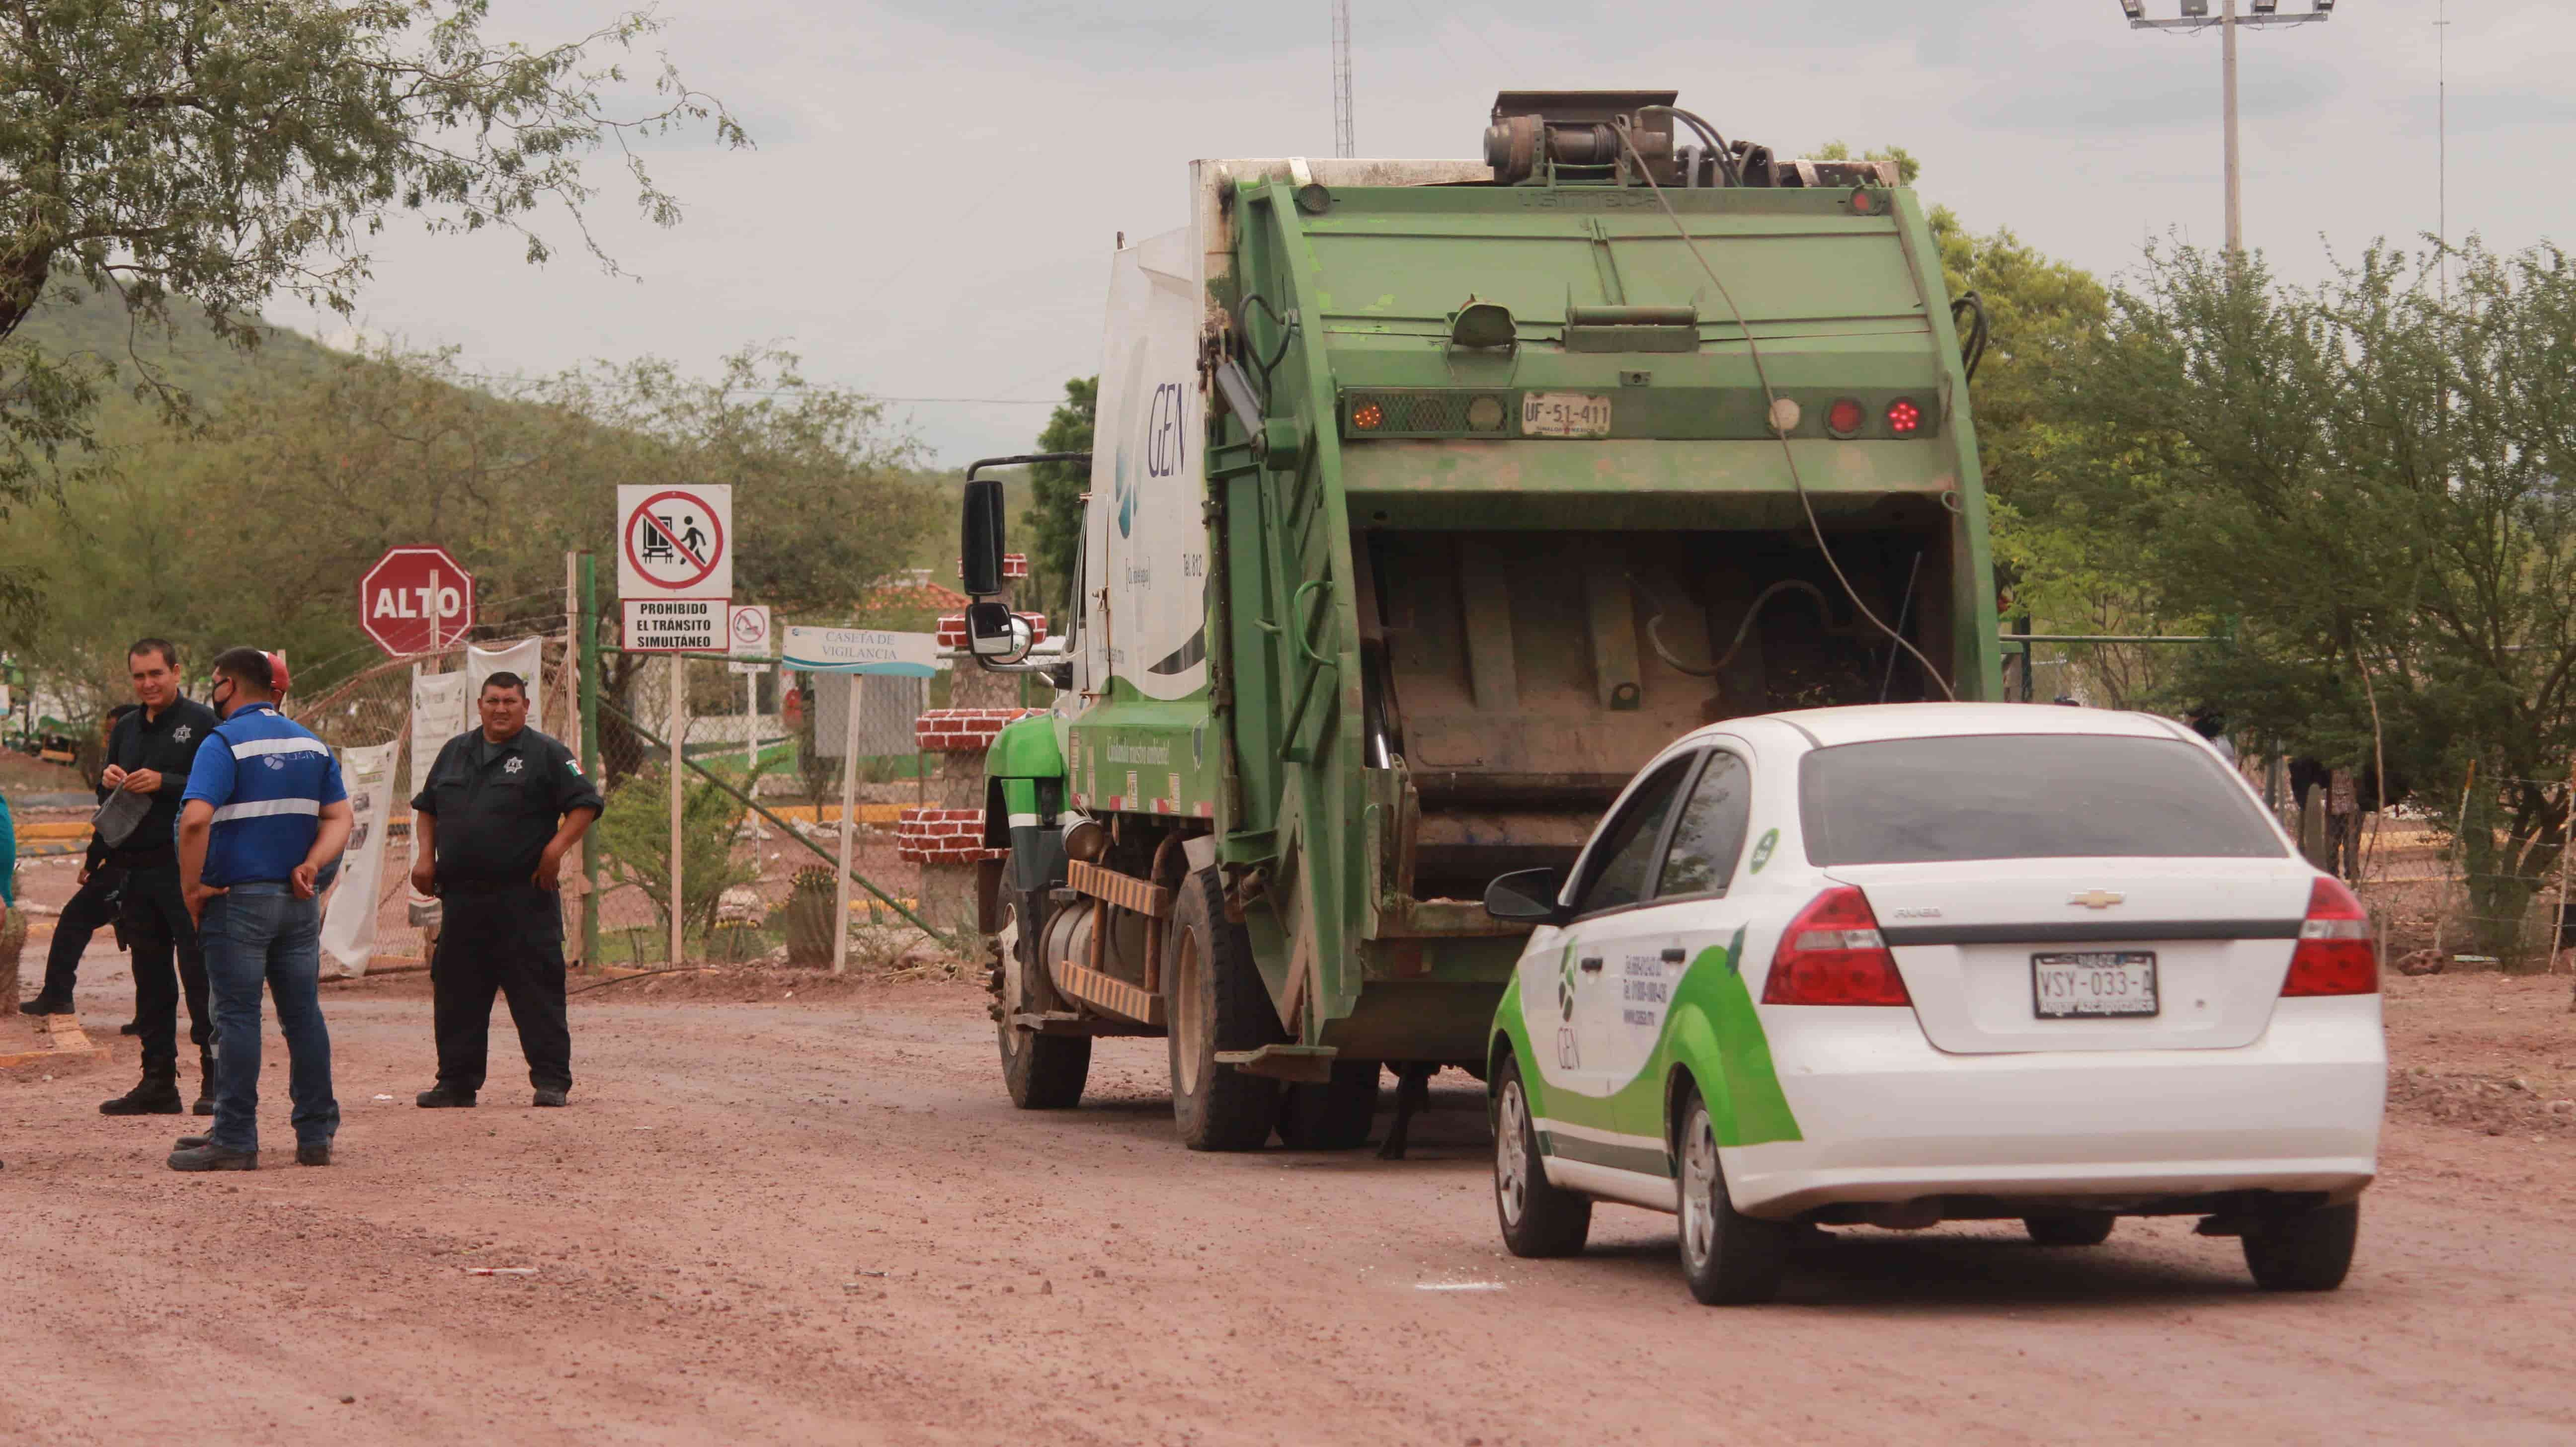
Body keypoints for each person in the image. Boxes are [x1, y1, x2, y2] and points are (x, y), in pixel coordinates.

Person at [166, 648, 350, 1171]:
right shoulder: (311, 744)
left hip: (237, 902)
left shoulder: (222, 742)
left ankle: (235, 1138)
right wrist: (313, 863)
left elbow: (196, 819)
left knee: (238, 1017)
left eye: (215, 683)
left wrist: (193, 887)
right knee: (303, 1018)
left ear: (226, 684)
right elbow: (340, 817)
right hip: (297, 902)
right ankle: (315, 1135)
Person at [409, 673, 601, 1109]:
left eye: (510, 701)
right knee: (457, 994)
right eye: (493, 701)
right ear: (480, 705)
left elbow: (585, 804)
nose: (501, 709)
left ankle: (551, 1081)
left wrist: (555, 851)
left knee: (537, 993)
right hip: (462, 898)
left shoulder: (547, 754)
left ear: (525, 706)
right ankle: (456, 1083)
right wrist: (425, 858)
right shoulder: (455, 753)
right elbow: (427, 809)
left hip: (525, 899)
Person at [96, 641, 222, 1117]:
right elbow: (102, 795)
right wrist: (108, 779)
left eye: (156, 674)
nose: (148, 684)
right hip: (135, 870)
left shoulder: (204, 724)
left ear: (175, 671)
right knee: (150, 981)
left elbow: (221, 786)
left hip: (184, 869)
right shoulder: (126, 727)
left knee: (199, 976)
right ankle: (157, 1082)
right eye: (138, 677)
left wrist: (166, 782)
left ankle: (215, 1081)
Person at [21, 706, 136, 1016]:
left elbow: (110, 823)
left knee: (75, 919)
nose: (107, 739)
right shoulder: (136, 762)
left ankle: (58, 995)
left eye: (112, 732)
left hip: (124, 867)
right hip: (142, 866)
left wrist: (91, 863)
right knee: (145, 936)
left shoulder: (127, 768)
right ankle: (150, 1015)